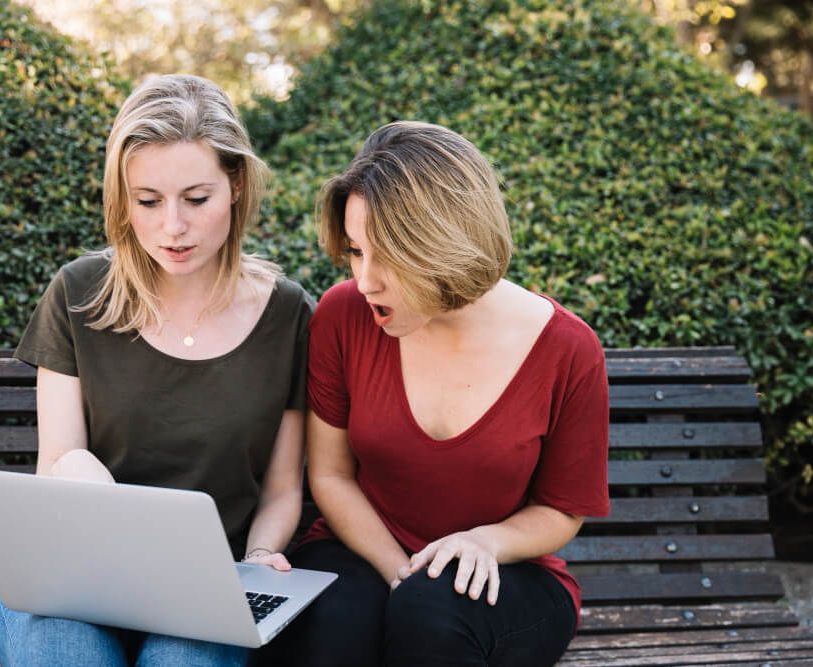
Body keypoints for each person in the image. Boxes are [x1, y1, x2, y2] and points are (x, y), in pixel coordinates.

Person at [0, 74, 313, 667]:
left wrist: (263, 555)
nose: (173, 227)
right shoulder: (78, 293)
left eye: (197, 199)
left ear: (236, 185)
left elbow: (283, 486)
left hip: (211, 585)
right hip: (74, 575)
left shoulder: (288, 314)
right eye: (148, 201)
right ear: (123, 197)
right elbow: (59, 462)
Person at [261, 121, 610, 667]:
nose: (367, 280)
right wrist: (398, 570)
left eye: (390, 256)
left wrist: (486, 543)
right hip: (360, 548)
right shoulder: (343, 315)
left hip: (507, 572)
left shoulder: (568, 349)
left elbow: (562, 511)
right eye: (356, 251)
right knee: (336, 628)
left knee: (431, 616)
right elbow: (330, 475)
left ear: (445, 246)